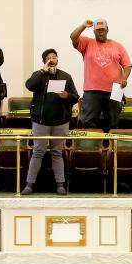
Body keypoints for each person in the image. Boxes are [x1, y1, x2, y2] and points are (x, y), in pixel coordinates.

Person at [21, 48, 79, 196]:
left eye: (54, 57)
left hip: (60, 122)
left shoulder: (65, 76)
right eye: (49, 58)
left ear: (57, 59)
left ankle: (60, 184)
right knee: (38, 152)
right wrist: (42, 71)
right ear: (44, 61)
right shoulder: (38, 75)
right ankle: (29, 184)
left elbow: (75, 97)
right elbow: (29, 86)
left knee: (57, 153)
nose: (52, 59)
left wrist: (66, 96)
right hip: (41, 122)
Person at [70, 18, 132, 131]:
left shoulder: (118, 46)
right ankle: (91, 147)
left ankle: (112, 148)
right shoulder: (87, 43)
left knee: (114, 121)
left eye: (103, 29)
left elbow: (127, 66)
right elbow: (73, 37)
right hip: (92, 90)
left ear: (107, 30)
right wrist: (83, 26)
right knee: (88, 121)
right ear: (94, 31)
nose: (100, 32)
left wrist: (124, 78)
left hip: (116, 89)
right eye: (98, 30)